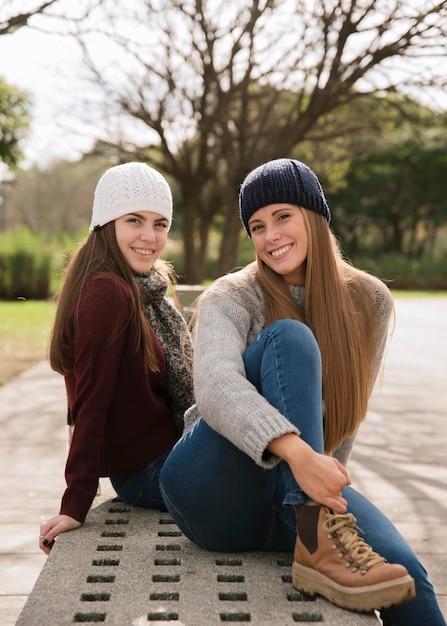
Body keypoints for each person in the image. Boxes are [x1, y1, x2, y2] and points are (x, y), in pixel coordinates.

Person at [159, 159, 446, 625]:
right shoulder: (231, 296)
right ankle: (316, 529)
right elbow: (214, 389)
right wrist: (301, 458)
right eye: (257, 226)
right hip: (210, 487)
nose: (270, 236)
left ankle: (317, 537)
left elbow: (343, 422)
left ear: (315, 215)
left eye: (282, 216)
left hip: (293, 500)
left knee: (406, 577)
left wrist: (327, 495)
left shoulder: (368, 300)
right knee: (288, 338)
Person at [39, 162, 194, 554]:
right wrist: (76, 501)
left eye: (160, 224)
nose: (150, 236)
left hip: (167, 457)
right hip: (149, 472)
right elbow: (90, 402)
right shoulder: (108, 293)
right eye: (135, 220)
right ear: (107, 224)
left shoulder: (145, 287)